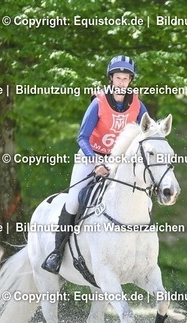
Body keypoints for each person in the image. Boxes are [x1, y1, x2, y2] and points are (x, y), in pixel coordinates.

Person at [42, 55, 148, 274]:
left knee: (141, 197)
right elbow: (82, 137)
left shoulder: (137, 105)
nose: (121, 82)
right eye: (118, 78)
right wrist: (96, 162)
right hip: (90, 156)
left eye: (125, 78)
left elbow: (148, 131)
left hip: (116, 160)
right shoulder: (99, 102)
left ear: (130, 81)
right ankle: (56, 253)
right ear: (111, 79)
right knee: (74, 201)